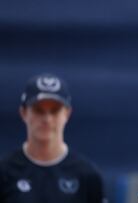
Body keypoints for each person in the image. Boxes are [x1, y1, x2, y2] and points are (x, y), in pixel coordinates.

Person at [0, 73, 106, 203]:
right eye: (39, 110)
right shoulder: (5, 171)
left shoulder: (87, 176)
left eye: (55, 111)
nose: (47, 119)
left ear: (67, 113)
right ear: (23, 112)